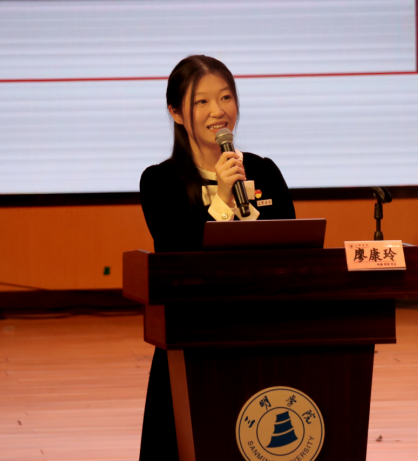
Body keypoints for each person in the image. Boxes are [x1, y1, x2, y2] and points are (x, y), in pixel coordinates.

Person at [137, 55, 296, 459]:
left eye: (226, 97)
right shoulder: (160, 181)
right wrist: (222, 201)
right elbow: (177, 253)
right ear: (176, 113)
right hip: (192, 338)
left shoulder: (264, 171)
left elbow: (292, 249)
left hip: (263, 333)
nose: (218, 111)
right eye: (201, 102)